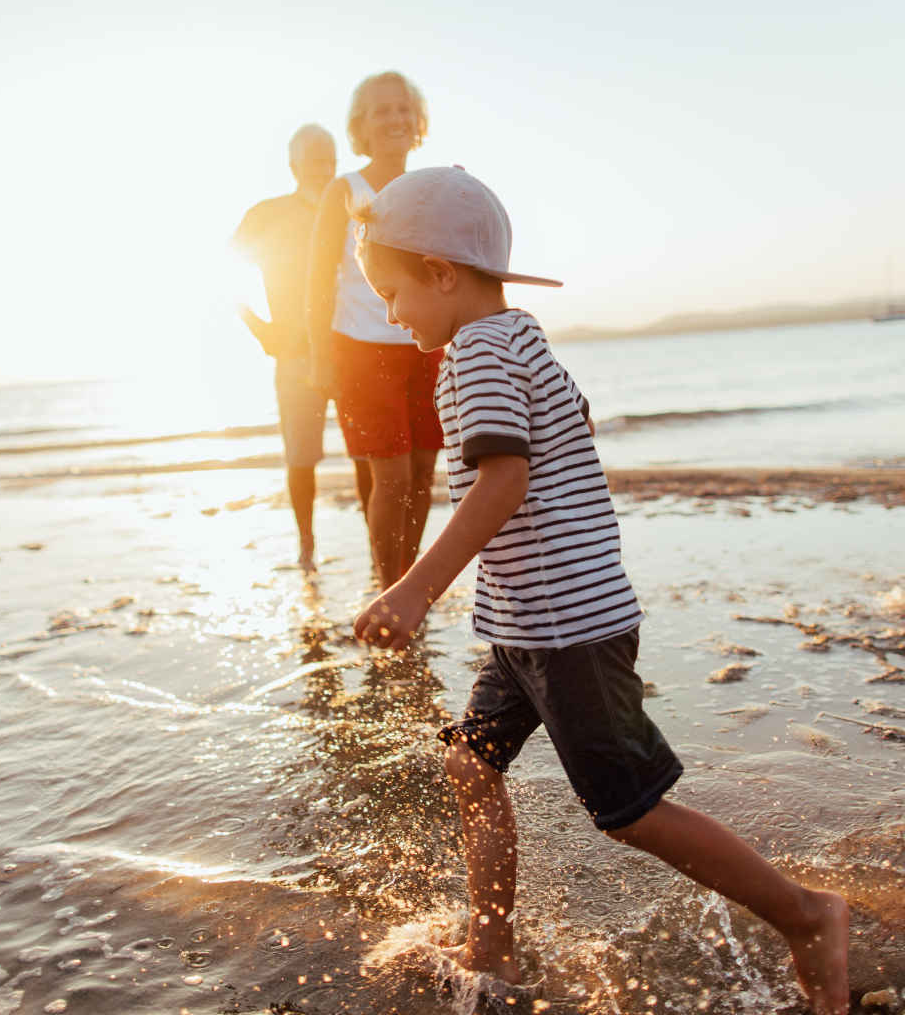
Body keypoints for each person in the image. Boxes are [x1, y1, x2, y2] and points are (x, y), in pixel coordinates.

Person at [351, 167, 850, 1015]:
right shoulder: (521, 338)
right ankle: (492, 947)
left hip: (565, 629)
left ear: (440, 273)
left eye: (392, 293)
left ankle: (806, 917)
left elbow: (503, 480)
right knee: (470, 763)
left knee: (630, 811)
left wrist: (415, 589)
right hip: (529, 625)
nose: (392, 316)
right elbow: (570, 436)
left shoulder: (475, 352)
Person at [306, 72, 443, 589]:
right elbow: (318, 281)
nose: (395, 119)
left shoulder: (431, 188)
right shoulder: (345, 190)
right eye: (381, 111)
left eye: (403, 109)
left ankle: (408, 584)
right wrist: (321, 357)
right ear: (361, 125)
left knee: (425, 477)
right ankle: (390, 589)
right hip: (361, 349)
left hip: (426, 347)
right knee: (392, 477)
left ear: (418, 120)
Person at [233, 124, 370, 571]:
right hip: (293, 353)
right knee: (301, 456)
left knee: (368, 451)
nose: (323, 167)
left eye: (330, 158)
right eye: (313, 159)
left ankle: (376, 544)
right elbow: (225, 272)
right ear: (293, 165)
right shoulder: (266, 214)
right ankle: (307, 549)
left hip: (352, 344)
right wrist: (259, 329)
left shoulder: (353, 208)